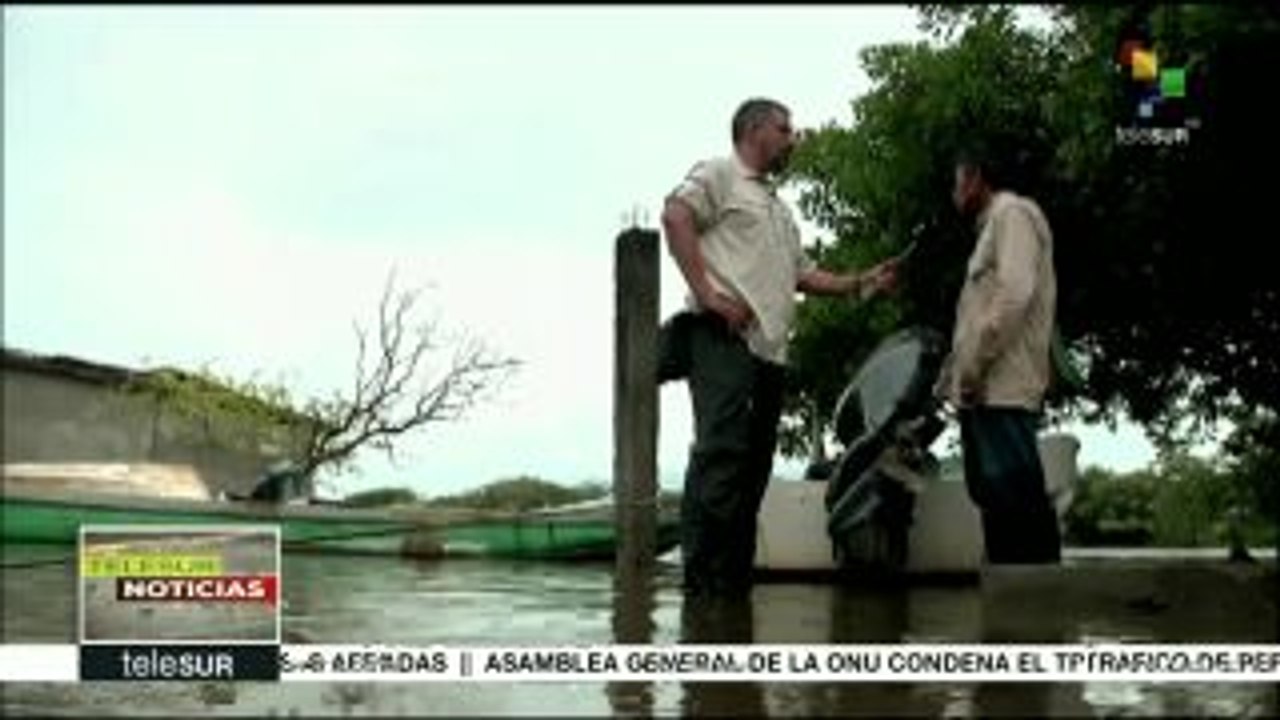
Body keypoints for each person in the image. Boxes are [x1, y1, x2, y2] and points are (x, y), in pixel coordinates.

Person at [660, 97, 897, 596]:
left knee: (753, 472)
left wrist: (861, 281)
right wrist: (709, 294)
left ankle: (730, 600)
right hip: (722, 339)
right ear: (754, 131)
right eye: (784, 129)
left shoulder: (778, 209)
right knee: (721, 460)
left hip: (769, 356)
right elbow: (676, 216)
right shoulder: (719, 173)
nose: (793, 138)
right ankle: (702, 597)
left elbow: (803, 275)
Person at [936, 148, 1061, 564]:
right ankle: (1011, 618)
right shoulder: (992, 227)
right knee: (996, 498)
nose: (954, 193)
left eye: (956, 182)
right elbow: (979, 317)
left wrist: (971, 372)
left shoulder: (1012, 215)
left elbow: (1013, 298)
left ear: (973, 179)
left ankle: (1034, 613)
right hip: (984, 389)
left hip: (1000, 386)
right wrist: (953, 379)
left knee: (1015, 498)